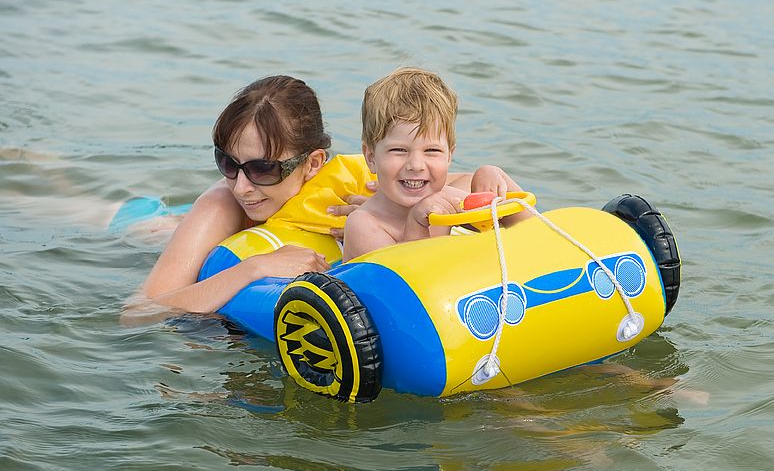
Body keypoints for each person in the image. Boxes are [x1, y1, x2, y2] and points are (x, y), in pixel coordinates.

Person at [124, 74, 483, 319]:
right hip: (152, 233)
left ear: (313, 163)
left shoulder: (360, 176)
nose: (242, 186)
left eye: (263, 169)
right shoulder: (223, 202)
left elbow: (451, 180)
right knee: (125, 221)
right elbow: (141, 311)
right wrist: (256, 267)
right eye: (228, 163)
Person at [341, 67, 528, 262]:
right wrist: (416, 224)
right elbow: (407, 283)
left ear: (449, 156)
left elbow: (532, 234)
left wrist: (495, 178)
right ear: (371, 158)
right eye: (399, 150)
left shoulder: (446, 198)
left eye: (432, 151)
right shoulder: (363, 224)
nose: (416, 165)